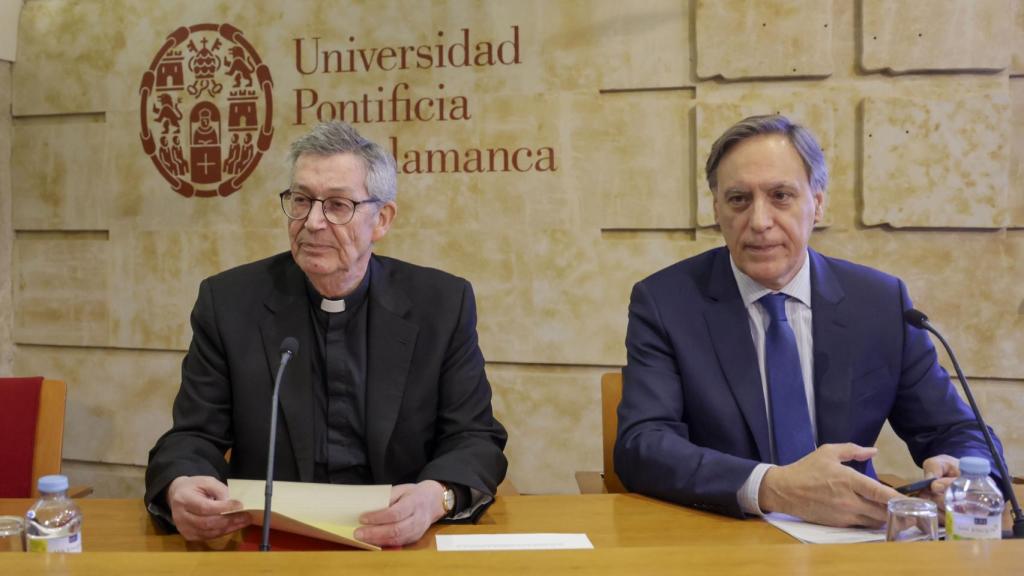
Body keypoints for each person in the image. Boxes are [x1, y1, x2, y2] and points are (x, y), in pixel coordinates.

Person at [614, 114, 1003, 527]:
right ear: (716, 209)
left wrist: (957, 469)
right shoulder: (666, 302)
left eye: (780, 195)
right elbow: (644, 445)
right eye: (738, 199)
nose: (759, 222)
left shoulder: (879, 303)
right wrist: (772, 486)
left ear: (816, 204)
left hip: (851, 534)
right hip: (723, 532)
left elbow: (958, 430)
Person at [145, 121, 508, 547]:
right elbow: (193, 434)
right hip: (272, 543)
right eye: (301, 200)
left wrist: (436, 497)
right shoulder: (228, 302)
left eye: (337, 205)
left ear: (382, 219)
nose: (312, 222)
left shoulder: (441, 304)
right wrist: (182, 486)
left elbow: (475, 436)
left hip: (400, 544)